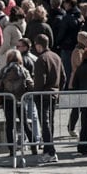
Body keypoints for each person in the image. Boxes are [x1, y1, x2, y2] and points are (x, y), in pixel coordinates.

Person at [31, 34, 65, 164]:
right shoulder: (56, 57)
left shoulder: (41, 59)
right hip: (54, 94)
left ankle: (50, 151)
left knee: (45, 123)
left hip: (43, 94)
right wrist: (58, 91)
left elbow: (40, 80)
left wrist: (36, 93)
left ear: (38, 45)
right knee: (50, 123)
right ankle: (47, 150)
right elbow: (63, 77)